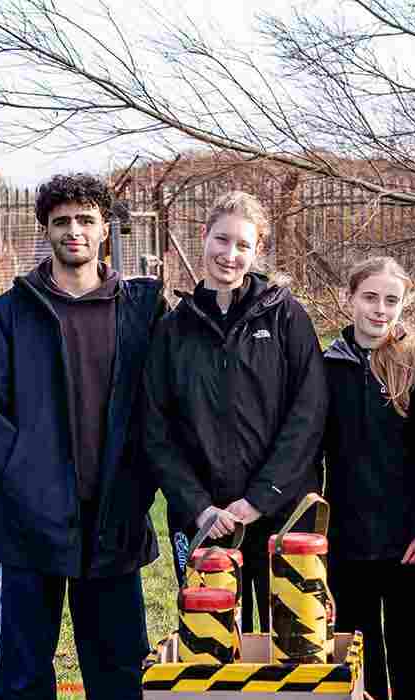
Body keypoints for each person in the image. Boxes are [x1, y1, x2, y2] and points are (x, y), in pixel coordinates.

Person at [0, 173, 167, 700]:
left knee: (117, 650)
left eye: (85, 219)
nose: (74, 232)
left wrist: (139, 482)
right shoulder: (12, 311)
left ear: (106, 226)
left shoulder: (141, 308)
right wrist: (25, 486)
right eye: (61, 222)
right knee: (24, 651)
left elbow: (161, 406)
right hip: (34, 516)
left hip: (113, 512)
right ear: (45, 230)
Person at [144, 191, 327, 626]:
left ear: (258, 249)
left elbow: (309, 414)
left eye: (243, 245)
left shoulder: (286, 316)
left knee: (289, 645)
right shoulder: (172, 329)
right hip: (205, 519)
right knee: (213, 648)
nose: (230, 255)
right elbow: (156, 429)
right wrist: (199, 506)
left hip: (280, 515)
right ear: (204, 237)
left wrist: (261, 499)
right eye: (221, 240)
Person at [319, 256, 415, 700]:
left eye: (391, 300)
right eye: (370, 297)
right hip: (347, 542)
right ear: (350, 299)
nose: (380, 309)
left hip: (408, 544)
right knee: (359, 660)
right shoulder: (326, 365)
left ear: (404, 305)